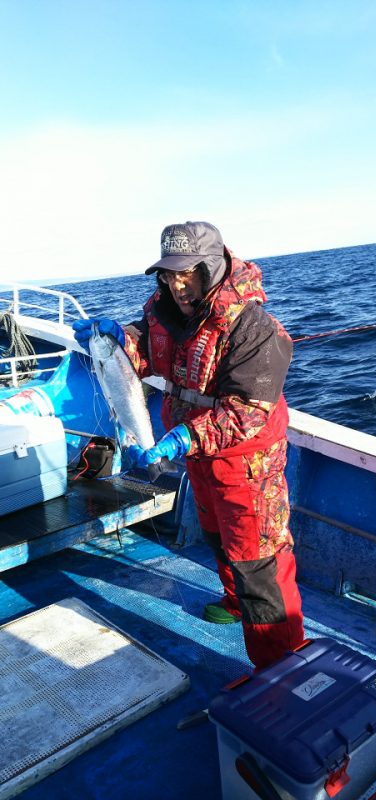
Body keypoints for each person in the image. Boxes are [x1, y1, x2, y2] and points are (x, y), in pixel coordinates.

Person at [73, 221, 304, 669]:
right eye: (168, 274)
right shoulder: (165, 312)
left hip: (246, 461)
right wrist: (121, 341)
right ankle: (236, 604)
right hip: (197, 457)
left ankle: (282, 668)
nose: (177, 284)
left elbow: (247, 413)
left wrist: (180, 438)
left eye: (188, 273)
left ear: (212, 267)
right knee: (218, 539)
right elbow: (150, 350)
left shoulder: (255, 328)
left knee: (258, 564)